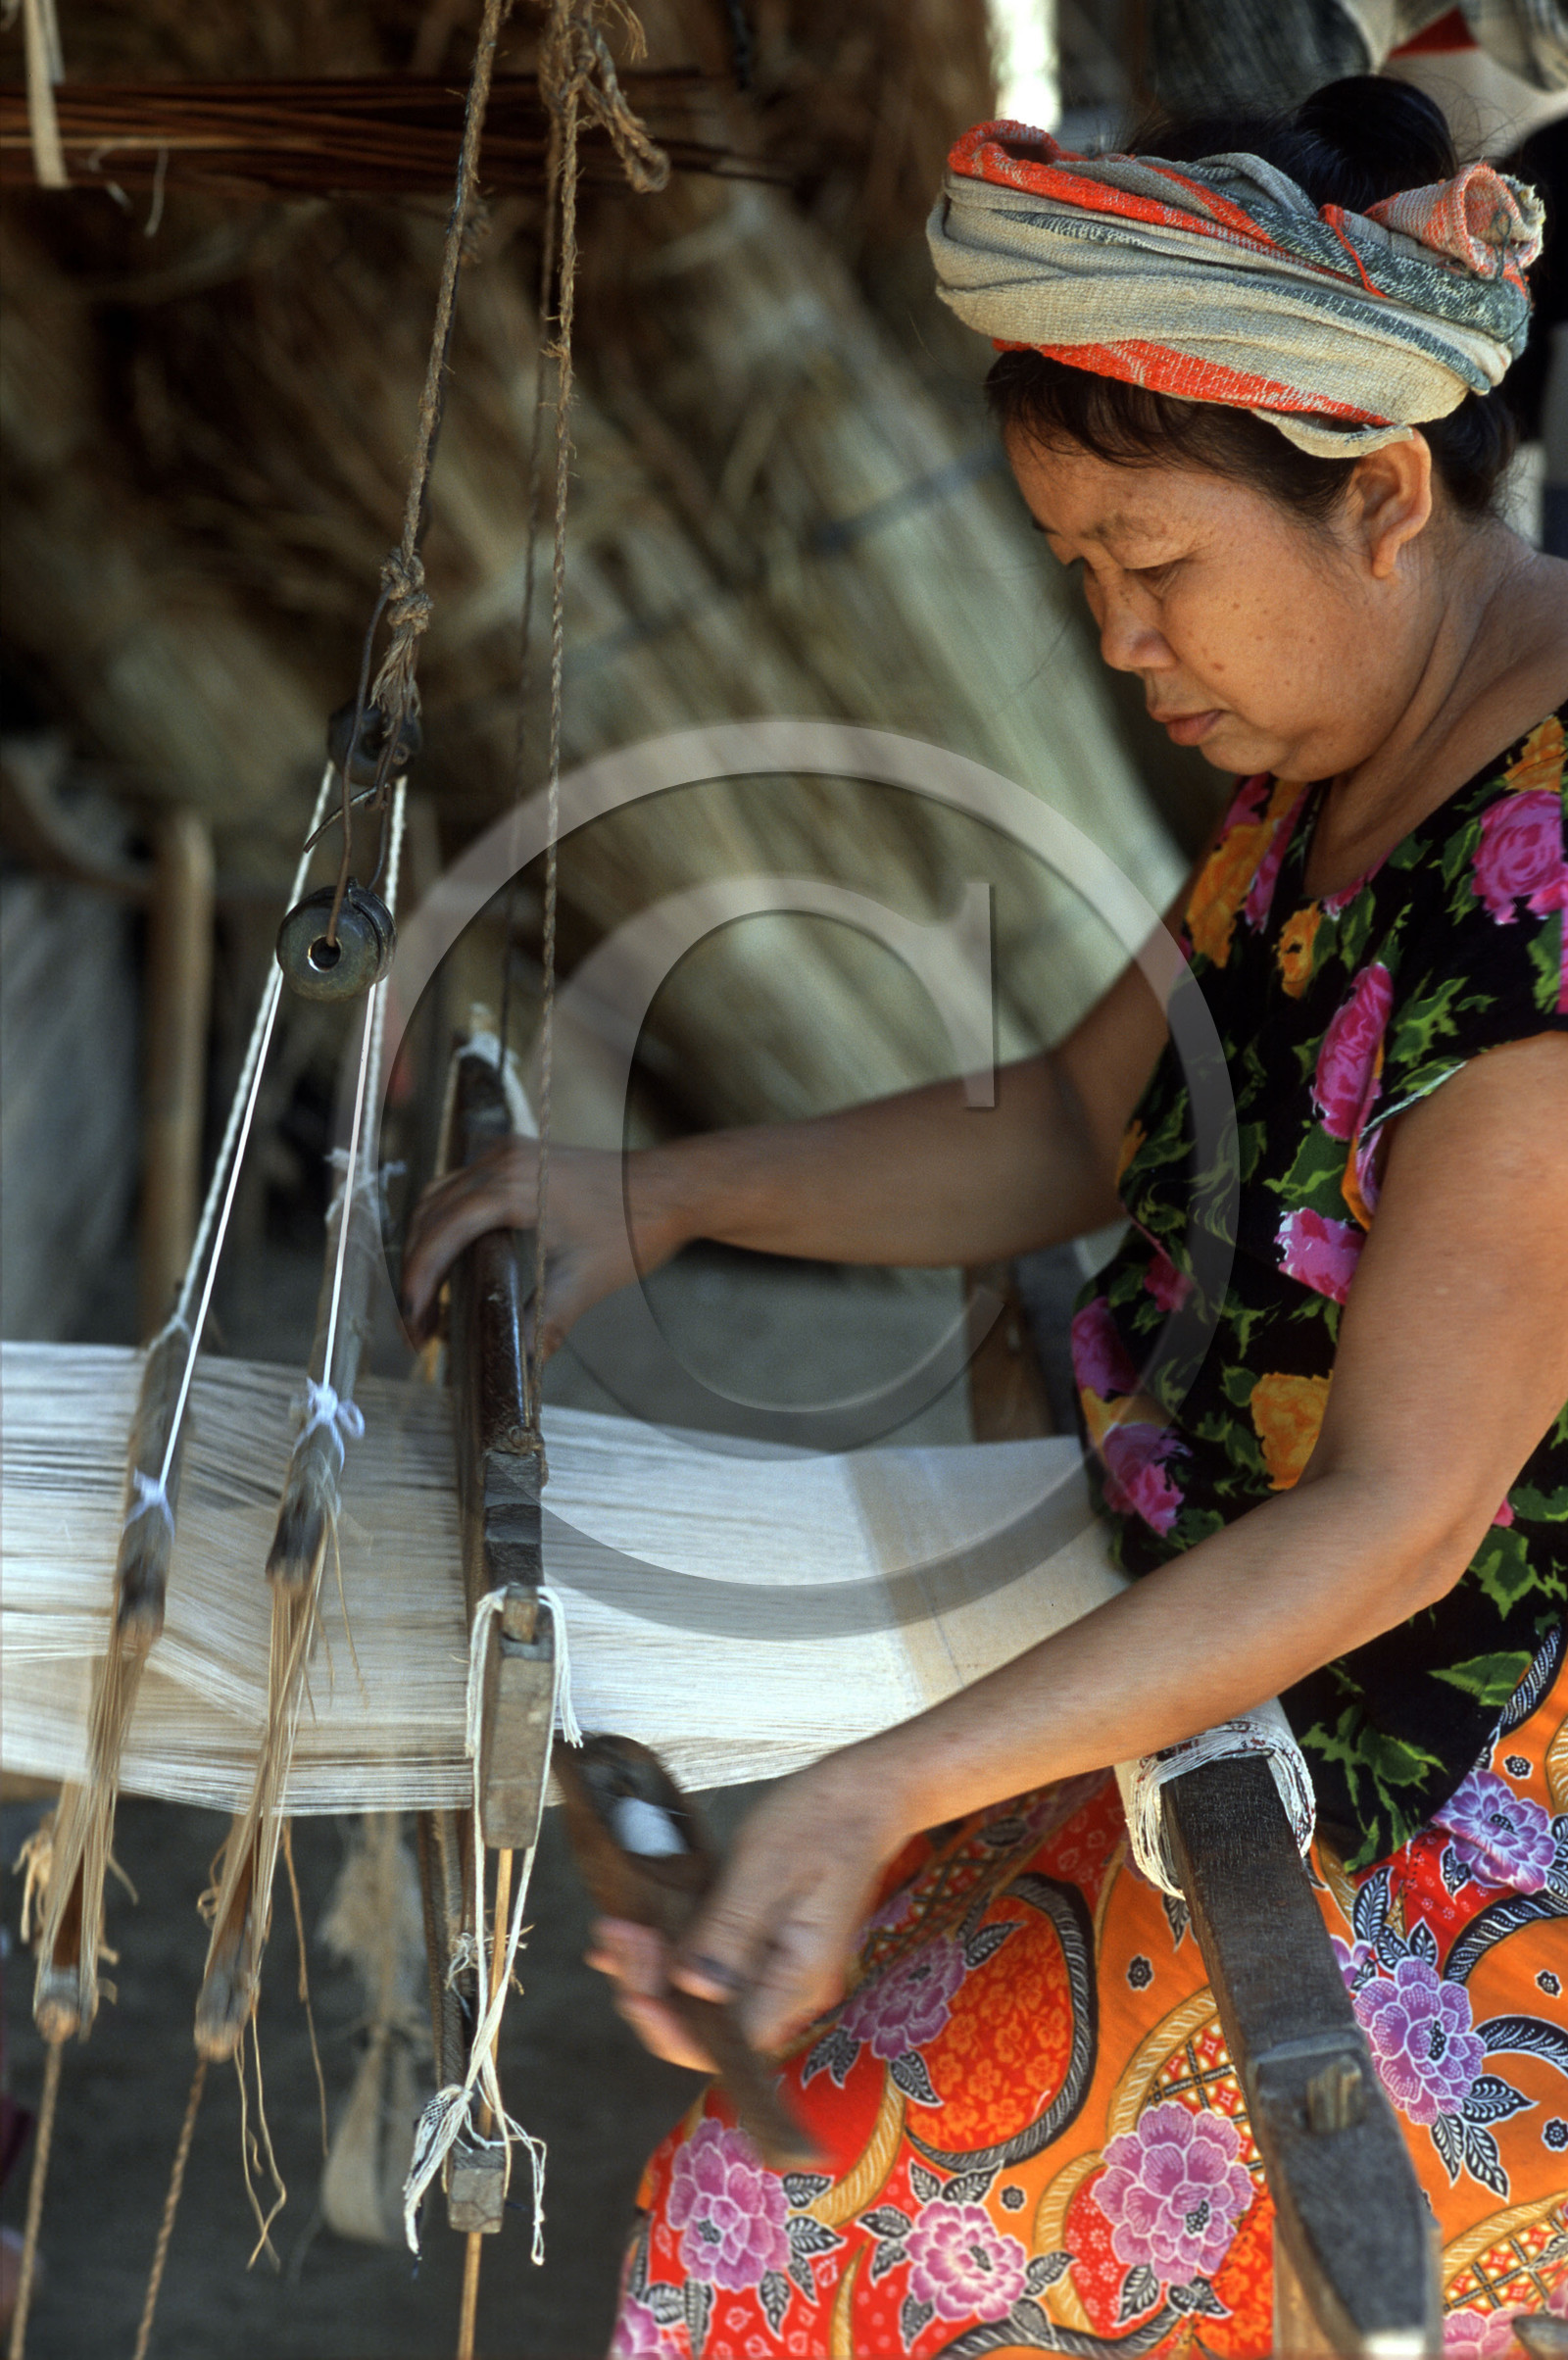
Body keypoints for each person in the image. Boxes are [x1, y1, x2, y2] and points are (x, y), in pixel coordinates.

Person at [403, 76, 1568, 2354]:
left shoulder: (1535, 886)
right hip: (1200, 1630)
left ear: (1386, 500)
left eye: (1156, 571)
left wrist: (879, 1782)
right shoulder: (1326, 773)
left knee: (774, 2217)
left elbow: (1401, 1521)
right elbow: (1069, 1119)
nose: (1125, 642)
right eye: (1077, 580)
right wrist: (655, 1189)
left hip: (1439, 1788)